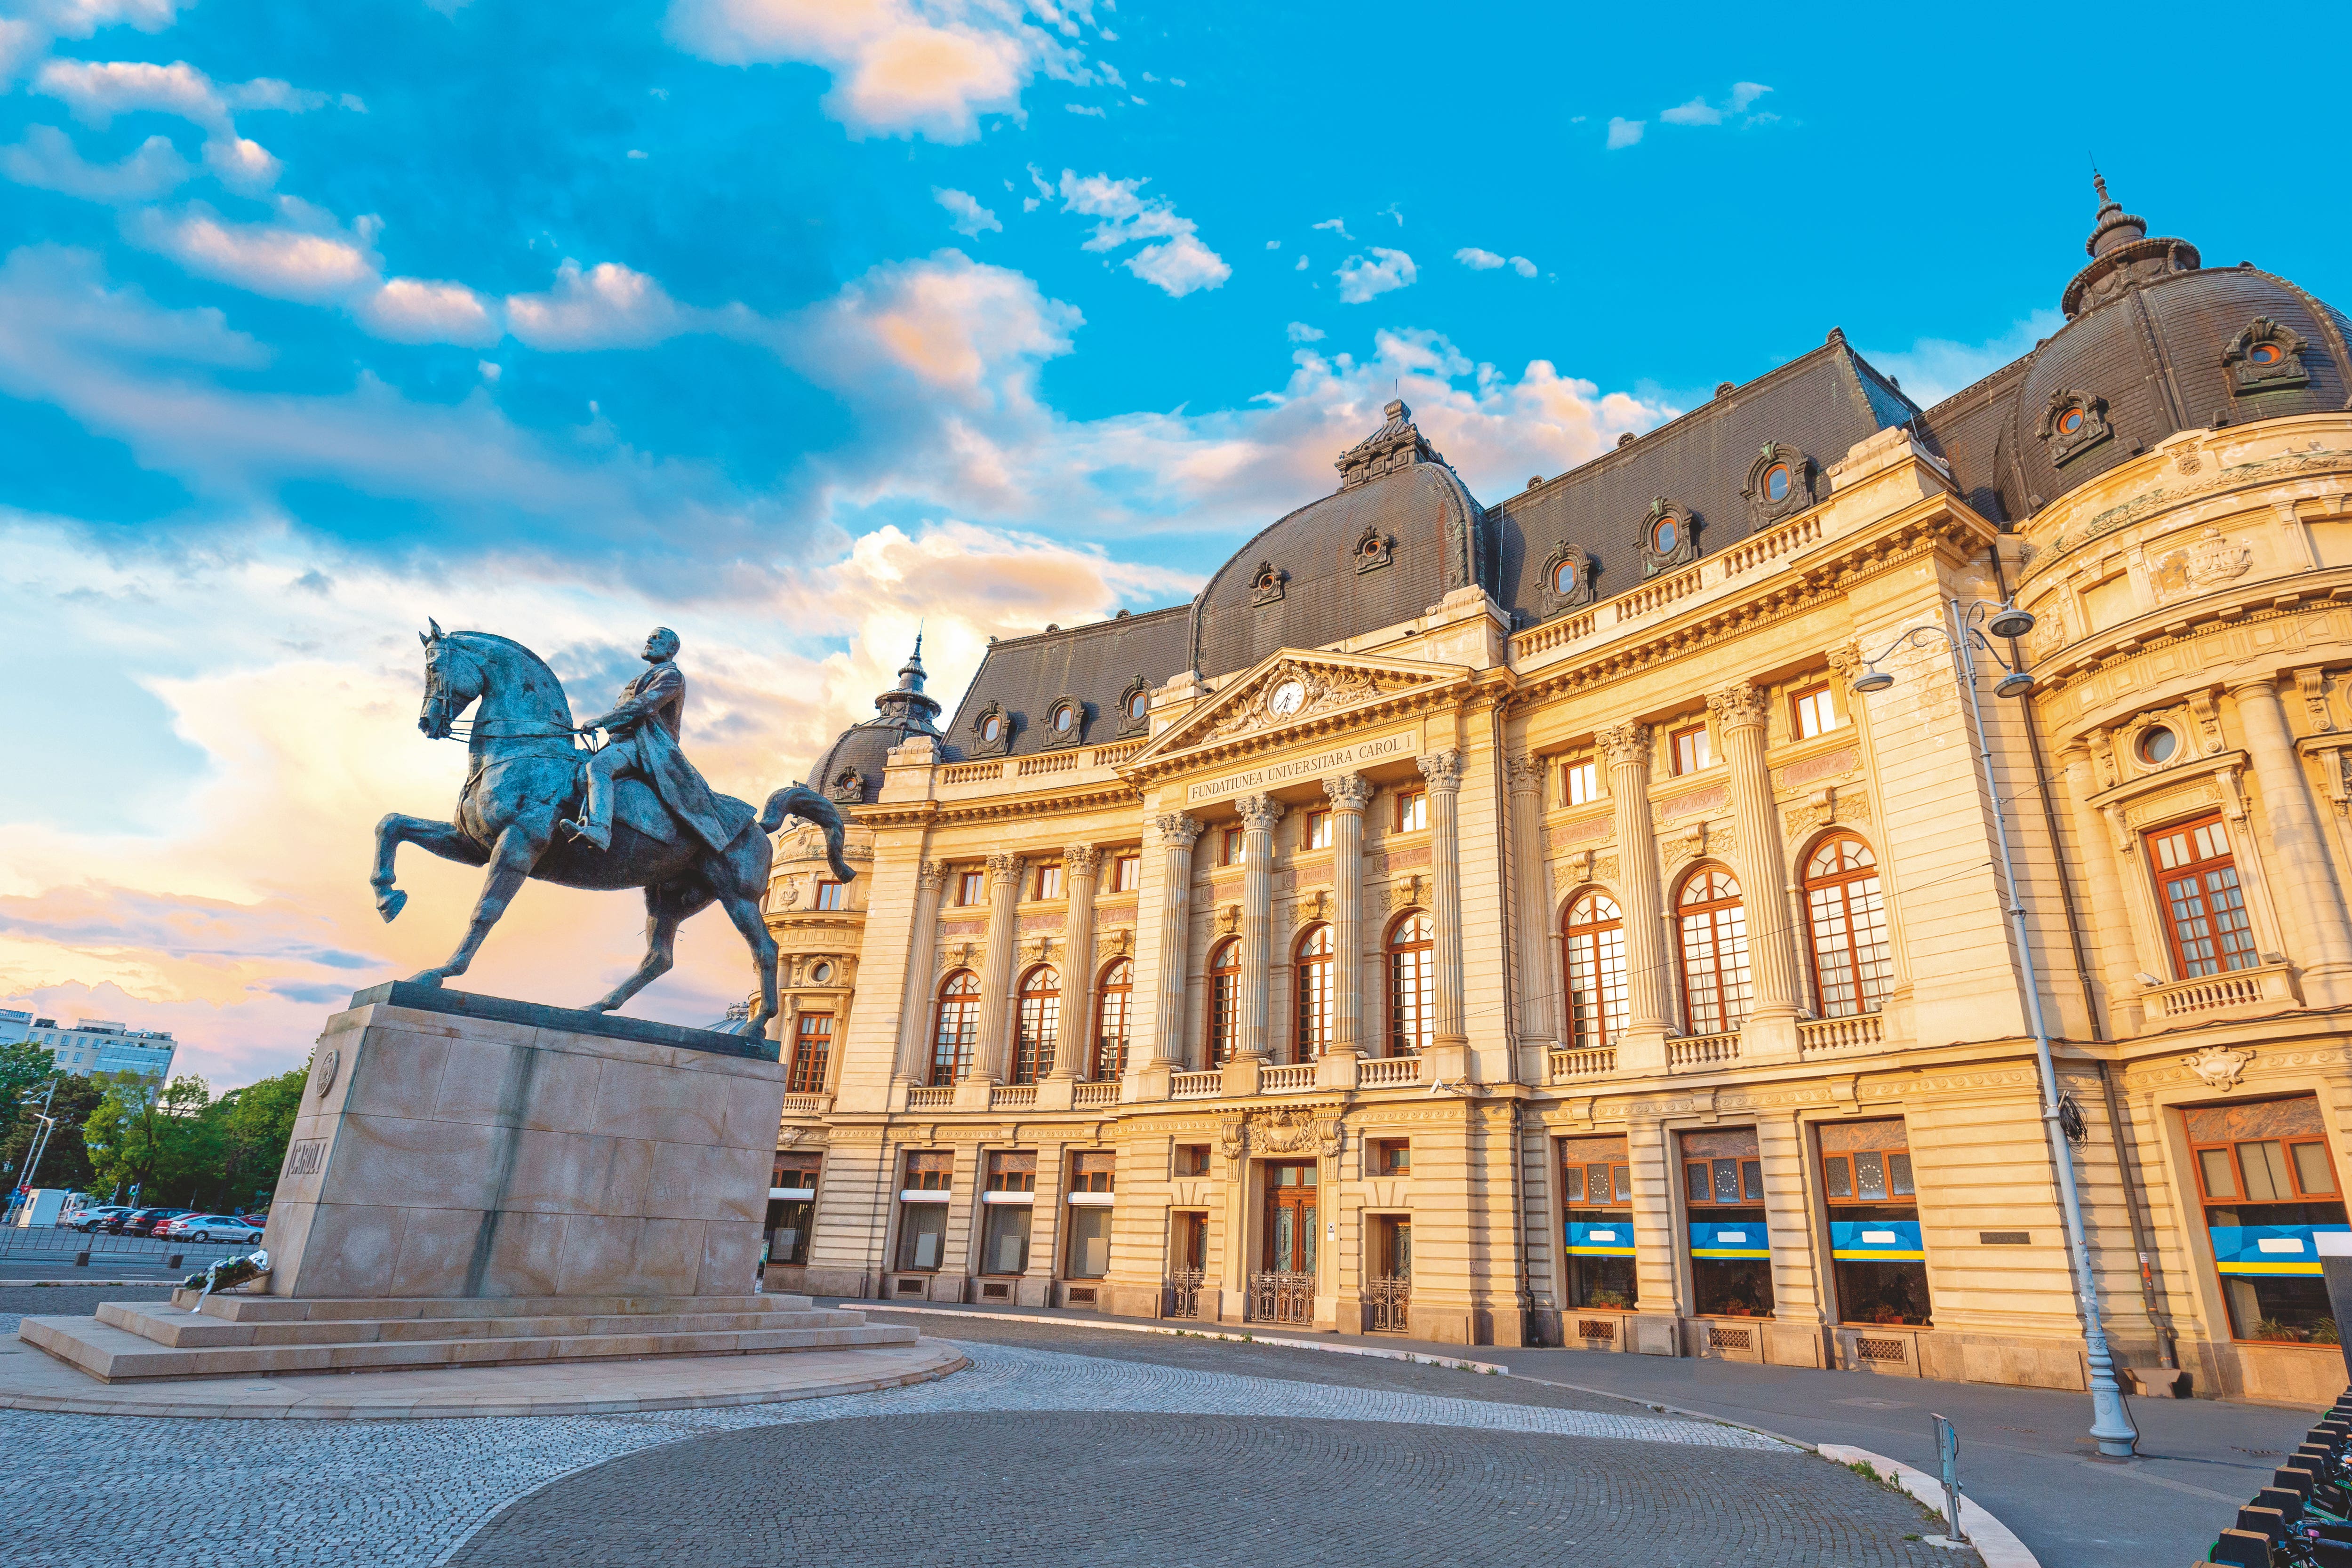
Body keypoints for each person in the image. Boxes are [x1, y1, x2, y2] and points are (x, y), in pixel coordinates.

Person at [560, 627, 736, 855]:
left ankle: (600, 830)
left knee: (599, 767)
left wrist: (603, 721)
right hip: (621, 743)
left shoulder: (671, 676)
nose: (650, 640)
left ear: (672, 649)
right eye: (650, 637)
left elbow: (645, 705)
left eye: (658, 638)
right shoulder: (643, 677)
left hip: (646, 746)